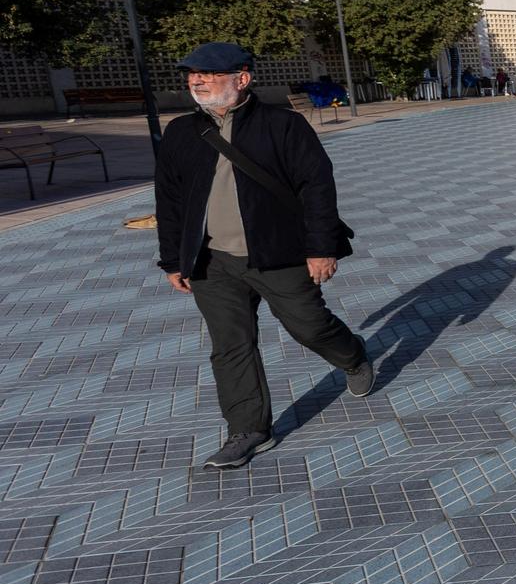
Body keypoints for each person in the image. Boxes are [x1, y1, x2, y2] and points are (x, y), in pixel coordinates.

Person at [154, 43, 372, 470]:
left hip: (279, 253)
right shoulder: (181, 131)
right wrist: (173, 260)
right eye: (192, 74)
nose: (197, 81)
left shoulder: (282, 126)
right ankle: (248, 430)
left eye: (209, 74)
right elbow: (170, 200)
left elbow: (317, 187)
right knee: (230, 346)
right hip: (211, 261)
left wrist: (321, 247)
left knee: (309, 327)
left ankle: (352, 355)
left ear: (242, 78)